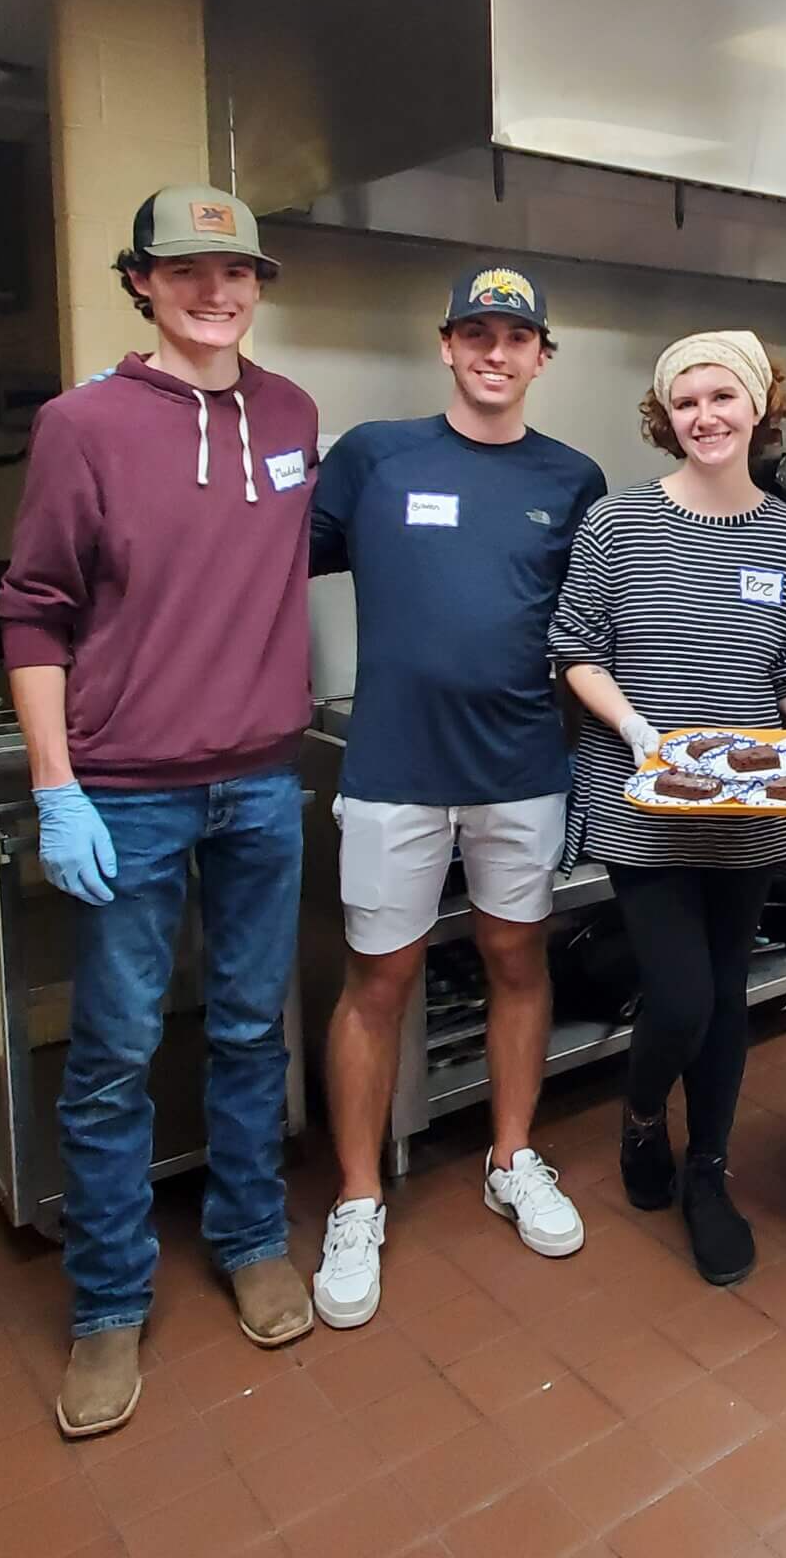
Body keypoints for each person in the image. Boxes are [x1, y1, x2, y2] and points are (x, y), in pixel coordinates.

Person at [0, 185, 320, 1439]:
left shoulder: (291, 414)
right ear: (140, 281)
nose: (214, 292)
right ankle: (107, 1303)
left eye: (235, 272)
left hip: (262, 782)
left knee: (247, 1029)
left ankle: (250, 1239)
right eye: (185, 269)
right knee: (115, 1054)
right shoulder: (81, 425)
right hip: (126, 792)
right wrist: (56, 787)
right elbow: (34, 612)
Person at [306, 264, 607, 1328]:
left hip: (521, 768)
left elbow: (598, 626)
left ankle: (511, 1157)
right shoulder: (374, 456)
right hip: (393, 767)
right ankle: (357, 1199)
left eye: (515, 337)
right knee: (378, 978)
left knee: (516, 959)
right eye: (476, 333)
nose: (494, 352)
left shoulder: (573, 479)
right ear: (446, 345)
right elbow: (260, 566)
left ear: (541, 357)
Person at [548, 331, 786, 1285]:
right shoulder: (618, 521)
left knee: (726, 998)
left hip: (750, 816)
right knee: (683, 995)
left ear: (759, 405)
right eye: (685, 402)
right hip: (642, 808)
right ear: (666, 417)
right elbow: (576, 648)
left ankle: (708, 1173)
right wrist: (637, 730)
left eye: (722, 396)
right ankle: (643, 1110)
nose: (705, 417)